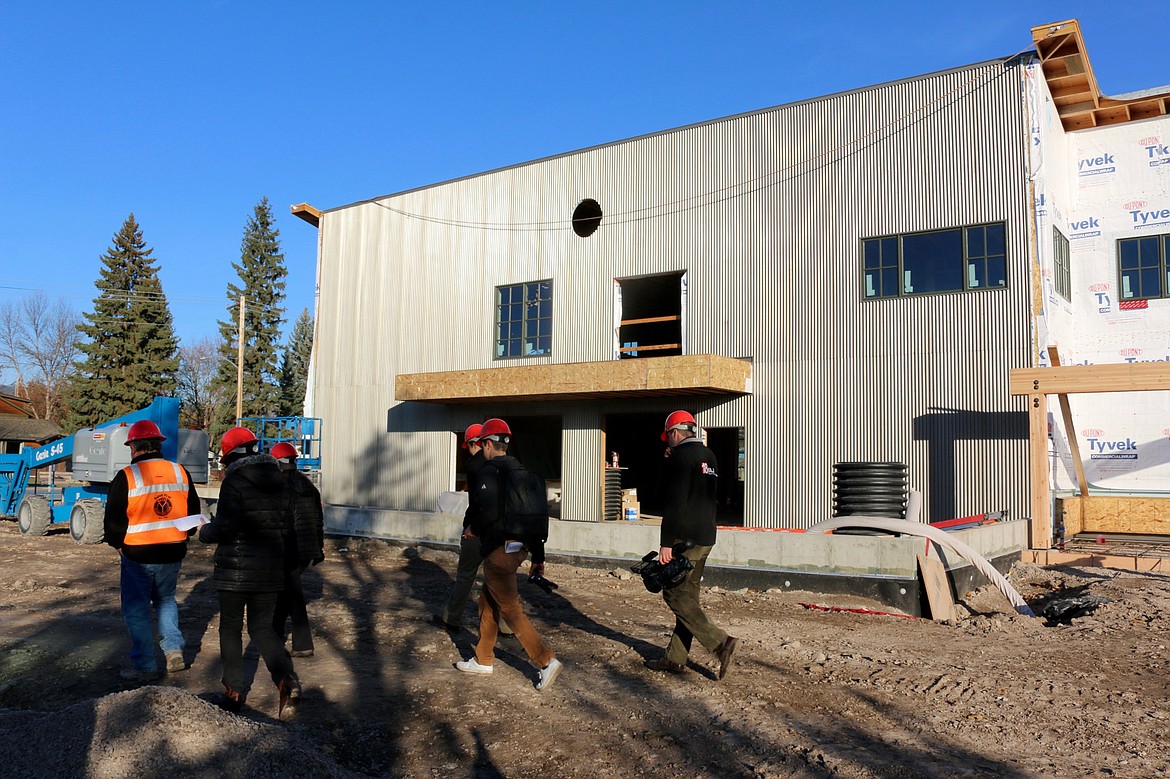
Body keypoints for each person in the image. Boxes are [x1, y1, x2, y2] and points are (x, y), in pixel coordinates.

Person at [199, 427, 301, 719]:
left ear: (230, 456)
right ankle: (286, 680)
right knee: (262, 629)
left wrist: (203, 531)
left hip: (234, 571)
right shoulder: (281, 482)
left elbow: (225, 528)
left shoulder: (234, 483)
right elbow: (287, 529)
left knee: (230, 628)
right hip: (270, 571)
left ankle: (233, 692)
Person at [455, 417, 563, 691]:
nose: (482, 449)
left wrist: (472, 529)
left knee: (510, 608)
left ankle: (545, 660)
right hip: (521, 548)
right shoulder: (523, 472)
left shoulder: (489, 472)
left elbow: (487, 511)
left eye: (483, 444)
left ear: (488, 443)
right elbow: (538, 518)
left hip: (499, 550)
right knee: (488, 602)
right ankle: (483, 658)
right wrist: (538, 557)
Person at [104, 419, 202, 682]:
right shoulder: (180, 471)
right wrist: (183, 535)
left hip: (138, 555)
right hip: (172, 551)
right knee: (166, 600)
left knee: (136, 609)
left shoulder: (127, 475)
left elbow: (113, 520)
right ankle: (173, 651)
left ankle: (146, 665)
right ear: (158, 444)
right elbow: (194, 513)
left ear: (134, 447)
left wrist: (117, 545)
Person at [647, 410, 738, 679]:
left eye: (668, 438)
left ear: (675, 433)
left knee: (674, 594)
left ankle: (721, 643)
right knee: (689, 598)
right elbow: (701, 493)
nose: (667, 443)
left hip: (684, 538)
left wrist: (665, 544)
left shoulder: (680, 458)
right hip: (706, 536)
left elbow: (675, 502)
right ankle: (675, 658)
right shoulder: (708, 456)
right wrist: (670, 462)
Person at [435, 424, 511, 635]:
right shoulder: (506, 465)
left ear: (474, 443)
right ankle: (507, 626)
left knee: (466, 575)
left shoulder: (475, 467)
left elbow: (480, 503)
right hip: (501, 532)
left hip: (477, 530)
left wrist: (472, 528)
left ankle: (452, 619)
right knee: (498, 578)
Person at [270, 442, 325, 658]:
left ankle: (301, 644)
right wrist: (318, 549)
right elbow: (319, 520)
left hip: (287, 548)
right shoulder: (308, 486)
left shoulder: (278, 487)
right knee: (287, 593)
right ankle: (275, 636)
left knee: (291, 595)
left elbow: (278, 521)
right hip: (306, 550)